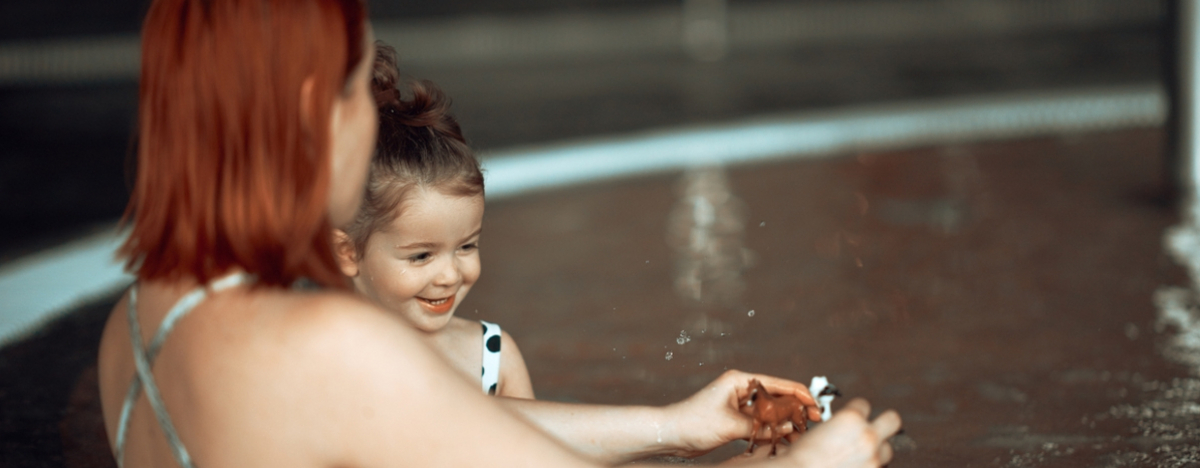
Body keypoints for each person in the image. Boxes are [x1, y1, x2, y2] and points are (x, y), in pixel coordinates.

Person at [97, 0, 902, 466]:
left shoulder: (139, 320)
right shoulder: (327, 346)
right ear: (313, 115)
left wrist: (675, 425)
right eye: (354, 91)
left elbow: (442, 430)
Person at [332, 43, 533, 398]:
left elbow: (536, 453)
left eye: (467, 246)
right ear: (347, 252)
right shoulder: (324, 361)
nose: (451, 276)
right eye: (421, 256)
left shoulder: (493, 358)